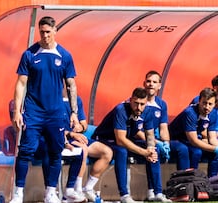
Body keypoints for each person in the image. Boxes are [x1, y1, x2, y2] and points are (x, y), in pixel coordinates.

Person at [10, 16, 79, 203]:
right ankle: (18, 194)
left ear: (55, 31)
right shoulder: (30, 54)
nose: (45, 35)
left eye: (48, 32)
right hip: (33, 112)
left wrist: (74, 113)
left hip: (56, 113)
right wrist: (17, 111)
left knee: (56, 152)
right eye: (42, 32)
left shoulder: (64, 56)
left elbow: (71, 85)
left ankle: (50, 192)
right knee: (25, 151)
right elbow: (21, 83)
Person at [91, 87, 160, 203]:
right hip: (105, 139)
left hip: (125, 140)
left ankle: (157, 193)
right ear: (131, 100)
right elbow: (120, 140)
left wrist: (150, 149)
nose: (139, 107)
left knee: (154, 150)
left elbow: (150, 135)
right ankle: (124, 195)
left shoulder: (147, 111)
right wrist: (144, 152)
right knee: (122, 151)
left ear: (146, 103)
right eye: (136, 103)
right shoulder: (121, 109)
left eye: (142, 104)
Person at [169, 87, 218, 177]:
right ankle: (186, 181)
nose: (207, 107)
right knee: (191, 151)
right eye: (204, 103)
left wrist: (216, 148)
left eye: (210, 104)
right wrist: (214, 148)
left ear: (214, 104)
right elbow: (194, 141)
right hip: (176, 138)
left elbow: (212, 138)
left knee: (213, 154)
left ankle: (213, 183)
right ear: (199, 101)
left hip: (190, 140)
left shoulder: (213, 113)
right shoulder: (190, 113)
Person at [142, 71, 172, 202]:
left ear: (159, 86)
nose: (151, 84)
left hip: (153, 139)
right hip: (139, 138)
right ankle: (157, 192)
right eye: (149, 81)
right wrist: (157, 143)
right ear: (144, 83)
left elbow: (163, 127)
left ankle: (183, 187)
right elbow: (137, 130)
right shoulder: (139, 102)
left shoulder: (162, 104)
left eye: (154, 82)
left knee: (182, 149)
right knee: (154, 150)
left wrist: (166, 143)